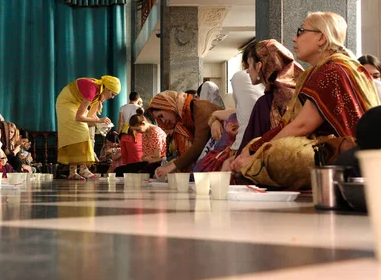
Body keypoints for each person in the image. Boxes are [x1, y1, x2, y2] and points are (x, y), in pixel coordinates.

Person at [231, 12, 381, 189]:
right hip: (333, 148)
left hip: (348, 152)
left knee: (277, 154)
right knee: (256, 145)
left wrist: (256, 155)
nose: (294, 39)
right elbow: (289, 124)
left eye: (301, 31)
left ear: (321, 38)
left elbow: (302, 126)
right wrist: (255, 147)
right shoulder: (320, 71)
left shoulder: (332, 70)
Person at [237, 39, 304, 153]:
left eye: (249, 65)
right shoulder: (301, 93)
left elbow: (249, 149)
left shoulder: (265, 103)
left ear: (259, 66)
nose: (247, 71)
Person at [56, 75, 120, 180]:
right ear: (107, 89)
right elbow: (79, 117)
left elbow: (91, 116)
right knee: (81, 133)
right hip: (66, 103)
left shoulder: (100, 94)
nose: (112, 97)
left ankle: (73, 172)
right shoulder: (92, 90)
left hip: (75, 104)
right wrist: (99, 120)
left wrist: (102, 124)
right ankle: (82, 168)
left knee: (77, 135)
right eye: (113, 94)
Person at [148, 91, 220, 178]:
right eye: (159, 119)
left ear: (169, 106)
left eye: (161, 116)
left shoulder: (200, 109)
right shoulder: (183, 119)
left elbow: (199, 145)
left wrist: (170, 167)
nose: (163, 121)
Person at [114, 109, 167, 177]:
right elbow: (144, 157)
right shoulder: (145, 133)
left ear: (143, 123)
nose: (137, 132)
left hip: (160, 163)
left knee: (141, 172)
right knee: (119, 170)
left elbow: (157, 157)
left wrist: (148, 158)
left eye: (138, 129)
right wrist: (148, 158)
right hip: (149, 162)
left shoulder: (155, 132)